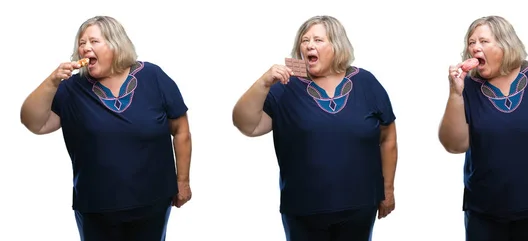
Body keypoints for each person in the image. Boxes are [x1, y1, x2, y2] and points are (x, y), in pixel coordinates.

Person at [20, 16, 192, 241]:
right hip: (96, 207)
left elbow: (181, 131)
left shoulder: (153, 76)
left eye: (94, 41)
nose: (85, 48)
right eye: (82, 43)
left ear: (115, 43)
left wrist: (183, 181)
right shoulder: (71, 89)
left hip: (153, 202)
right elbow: (34, 123)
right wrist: (52, 81)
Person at [232, 15, 398, 241]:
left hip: (360, 205)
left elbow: (388, 138)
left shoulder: (366, 82)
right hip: (303, 209)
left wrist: (387, 189)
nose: (309, 45)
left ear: (337, 46)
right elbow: (247, 125)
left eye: (318, 40)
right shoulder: (286, 85)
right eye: (305, 40)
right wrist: (263, 83)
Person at [438, 15, 528, 241]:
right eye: (471, 42)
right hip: (484, 209)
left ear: (506, 43)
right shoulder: (467, 87)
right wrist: (455, 93)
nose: (475, 48)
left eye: (483, 41)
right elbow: (455, 145)